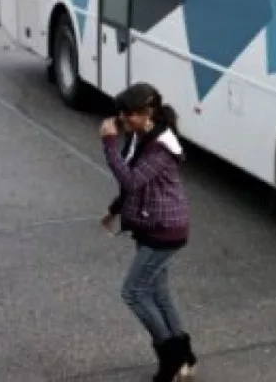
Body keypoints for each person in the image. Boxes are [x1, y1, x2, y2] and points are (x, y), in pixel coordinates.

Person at [99, 83, 195, 382]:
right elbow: (133, 183)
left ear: (147, 113)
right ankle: (185, 358)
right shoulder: (142, 137)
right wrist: (114, 210)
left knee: (133, 292)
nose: (123, 120)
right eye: (121, 115)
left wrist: (110, 143)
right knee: (158, 291)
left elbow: (131, 181)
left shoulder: (162, 146)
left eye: (128, 115)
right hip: (150, 224)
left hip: (165, 229)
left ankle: (171, 358)